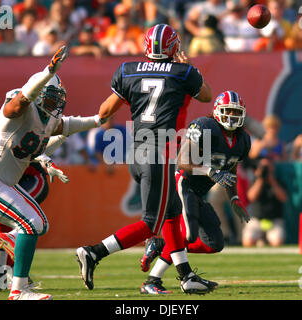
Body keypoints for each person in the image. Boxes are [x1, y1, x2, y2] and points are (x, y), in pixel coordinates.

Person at [0, 46, 103, 300]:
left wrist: (97, 119)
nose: (56, 104)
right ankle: (19, 290)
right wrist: (47, 71)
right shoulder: (18, 109)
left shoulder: (46, 122)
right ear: (39, 94)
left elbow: (69, 124)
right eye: (51, 97)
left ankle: (18, 282)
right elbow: (21, 100)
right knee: (34, 222)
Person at [75, 23, 218, 295]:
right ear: (174, 47)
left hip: (135, 151)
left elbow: (104, 112)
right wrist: (190, 68)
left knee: (173, 213)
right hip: (158, 154)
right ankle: (94, 252)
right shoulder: (183, 72)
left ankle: (185, 276)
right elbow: (207, 95)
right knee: (150, 224)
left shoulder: (128, 70)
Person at [139, 90, 251, 294]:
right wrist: (210, 171)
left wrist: (234, 198)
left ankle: (162, 244)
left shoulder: (243, 141)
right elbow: (182, 161)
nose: (232, 117)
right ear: (218, 112)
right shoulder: (205, 127)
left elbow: (231, 169)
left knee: (214, 243)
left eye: (235, 113)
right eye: (228, 111)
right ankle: (152, 280)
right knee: (189, 234)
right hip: (182, 183)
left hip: (198, 193)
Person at [242, 157, 287, 247]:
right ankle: (261, 239)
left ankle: (263, 239)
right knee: (248, 242)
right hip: (257, 219)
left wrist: (272, 182)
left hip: (274, 220)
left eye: (267, 167)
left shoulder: (278, 181)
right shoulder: (255, 181)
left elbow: (284, 198)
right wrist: (260, 179)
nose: (266, 169)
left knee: (277, 242)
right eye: (263, 167)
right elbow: (251, 197)